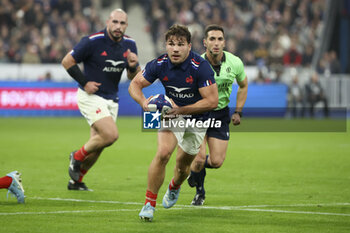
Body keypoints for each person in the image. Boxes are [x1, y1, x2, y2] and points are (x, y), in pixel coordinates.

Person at [128, 24, 218, 221]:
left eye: (180, 44)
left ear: (189, 46)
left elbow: (212, 101)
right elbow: (134, 84)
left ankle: (174, 186)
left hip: (197, 119)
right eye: (171, 44)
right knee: (162, 154)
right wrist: (144, 102)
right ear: (166, 46)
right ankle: (149, 204)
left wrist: (182, 110)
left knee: (182, 167)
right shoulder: (159, 64)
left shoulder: (201, 67)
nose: (175, 48)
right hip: (171, 115)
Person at [61, 9, 140, 191]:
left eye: (122, 23)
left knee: (99, 145)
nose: (118, 26)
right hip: (91, 96)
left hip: (112, 99)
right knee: (111, 135)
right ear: (108, 22)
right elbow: (67, 61)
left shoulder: (130, 44)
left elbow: (131, 76)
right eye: (115, 22)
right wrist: (85, 82)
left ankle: (76, 181)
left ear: (126, 25)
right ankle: (77, 156)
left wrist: (133, 65)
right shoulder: (92, 41)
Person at [187, 24, 248, 205]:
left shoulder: (235, 62)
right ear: (205, 42)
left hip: (221, 114)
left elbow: (243, 85)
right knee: (198, 159)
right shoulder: (195, 64)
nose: (216, 43)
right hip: (198, 113)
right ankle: (200, 192)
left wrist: (238, 111)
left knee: (216, 161)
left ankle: (192, 168)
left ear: (224, 42)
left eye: (219, 39)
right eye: (212, 39)